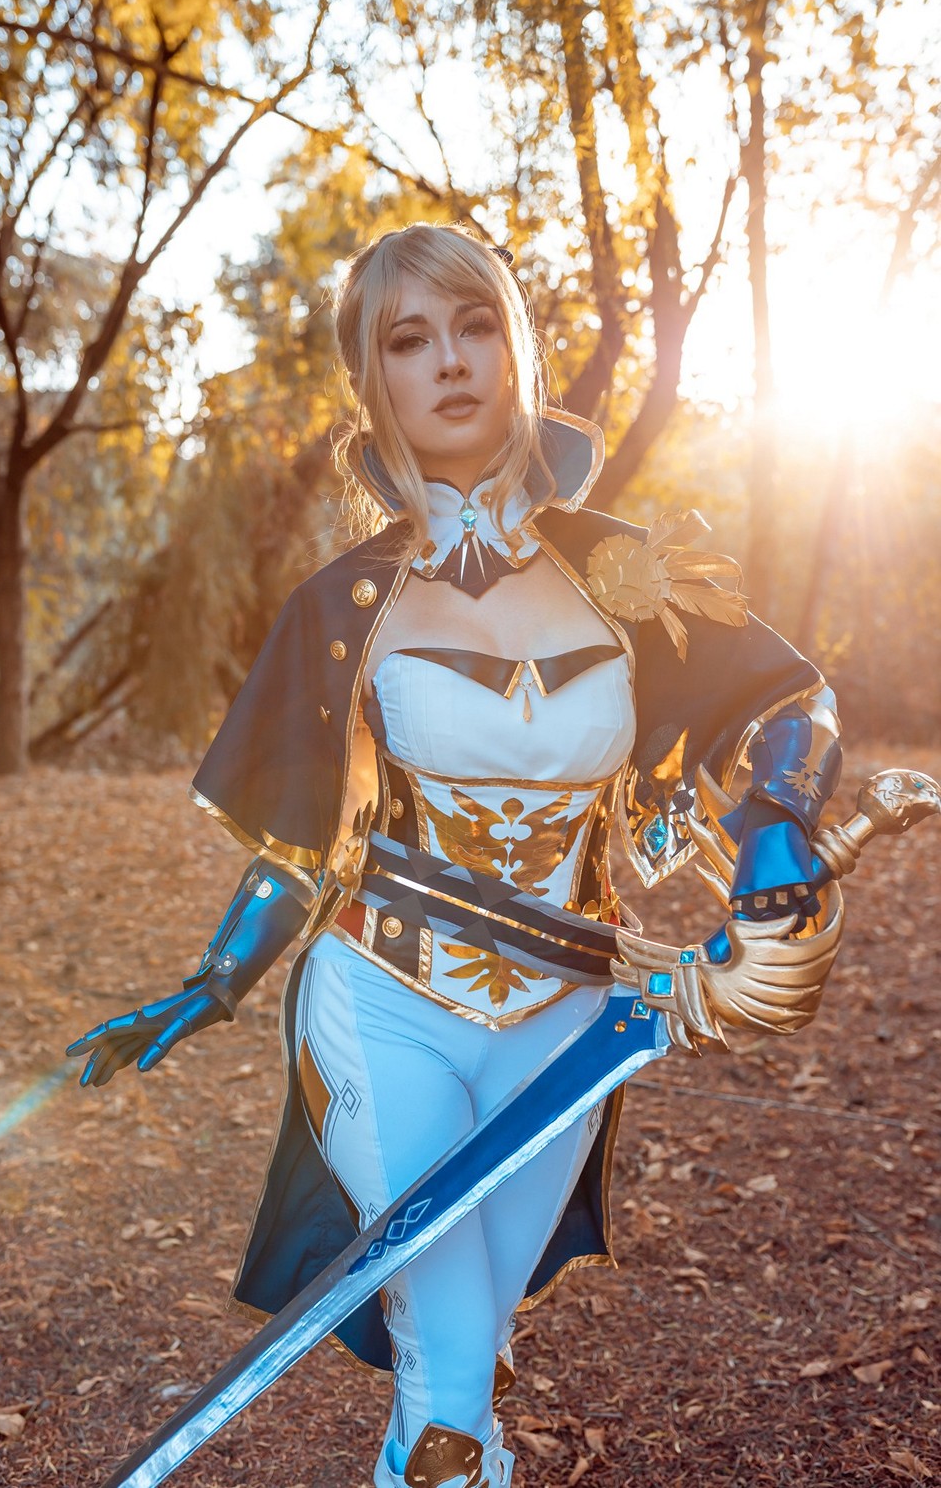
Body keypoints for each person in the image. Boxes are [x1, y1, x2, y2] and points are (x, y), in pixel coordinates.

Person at [68, 224, 844, 1488]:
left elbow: (791, 701)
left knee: (474, 1340)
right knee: (447, 1380)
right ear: (369, 378)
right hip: (382, 1000)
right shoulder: (341, 609)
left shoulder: (627, 580)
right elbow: (302, 846)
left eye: (474, 325)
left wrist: (775, 819)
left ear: (515, 346)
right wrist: (210, 984)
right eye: (407, 339)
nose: (448, 361)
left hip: (572, 1021)